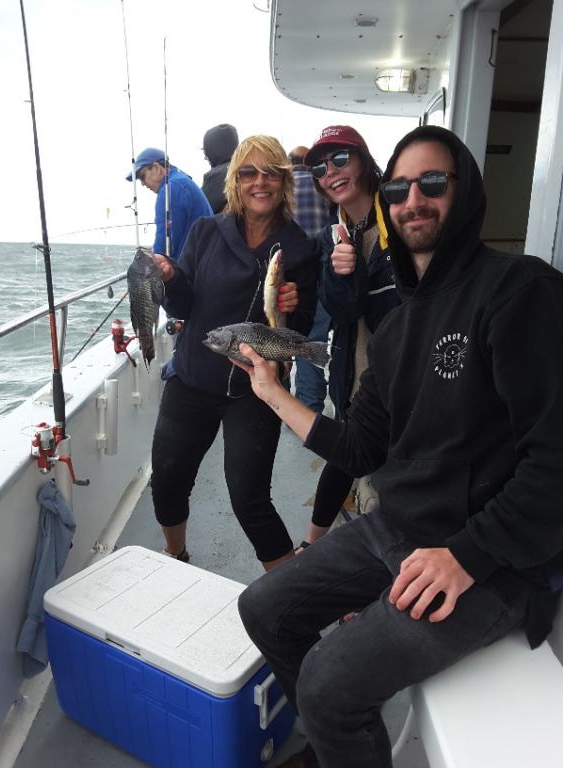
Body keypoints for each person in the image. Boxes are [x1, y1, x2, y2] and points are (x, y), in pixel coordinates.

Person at [236, 125, 563, 768]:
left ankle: (333, 731)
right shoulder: (395, 329)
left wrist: (467, 555)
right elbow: (360, 448)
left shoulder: (519, 291)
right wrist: (271, 390)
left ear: (464, 192)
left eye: (432, 183)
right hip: (401, 528)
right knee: (264, 609)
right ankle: (338, 745)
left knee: (327, 684)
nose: (414, 200)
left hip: (490, 562)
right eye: (399, 188)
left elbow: (555, 459)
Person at [150, 135, 318, 571]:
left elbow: (298, 333)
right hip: (192, 379)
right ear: (235, 181)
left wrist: (293, 307)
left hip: (255, 391)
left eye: (270, 173)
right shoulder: (206, 232)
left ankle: (289, 595)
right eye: (248, 172)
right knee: (167, 482)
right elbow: (182, 306)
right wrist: (170, 278)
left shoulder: (300, 247)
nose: (259, 181)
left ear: (284, 181)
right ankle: (176, 554)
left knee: (249, 500)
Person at [297, 126, 398, 551]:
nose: (331, 173)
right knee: (346, 447)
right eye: (320, 168)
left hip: (399, 372)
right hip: (352, 366)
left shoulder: (400, 219)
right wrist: (341, 272)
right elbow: (342, 311)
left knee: (394, 464)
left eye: (340, 159)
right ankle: (312, 544)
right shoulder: (331, 236)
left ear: (364, 161)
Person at [288, 145, 332, 415]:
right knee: (313, 340)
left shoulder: (283, 187)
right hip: (324, 269)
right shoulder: (322, 185)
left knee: (282, 337)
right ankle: (310, 407)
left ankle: (281, 404)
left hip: (291, 273)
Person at [126, 147, 212, 262]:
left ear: (156, 168)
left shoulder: (169, 189)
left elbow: (163, 249)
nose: (142, 184)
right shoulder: (181, 182)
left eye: (142, 177)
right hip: (207, 261)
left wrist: (155, 256)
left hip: (197, 269)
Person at [201, 123, 239, 213]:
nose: (205, 157)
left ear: (215, 150)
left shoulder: (216, 176)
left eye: (206, 152)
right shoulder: (240, 168)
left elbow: (201, 209)